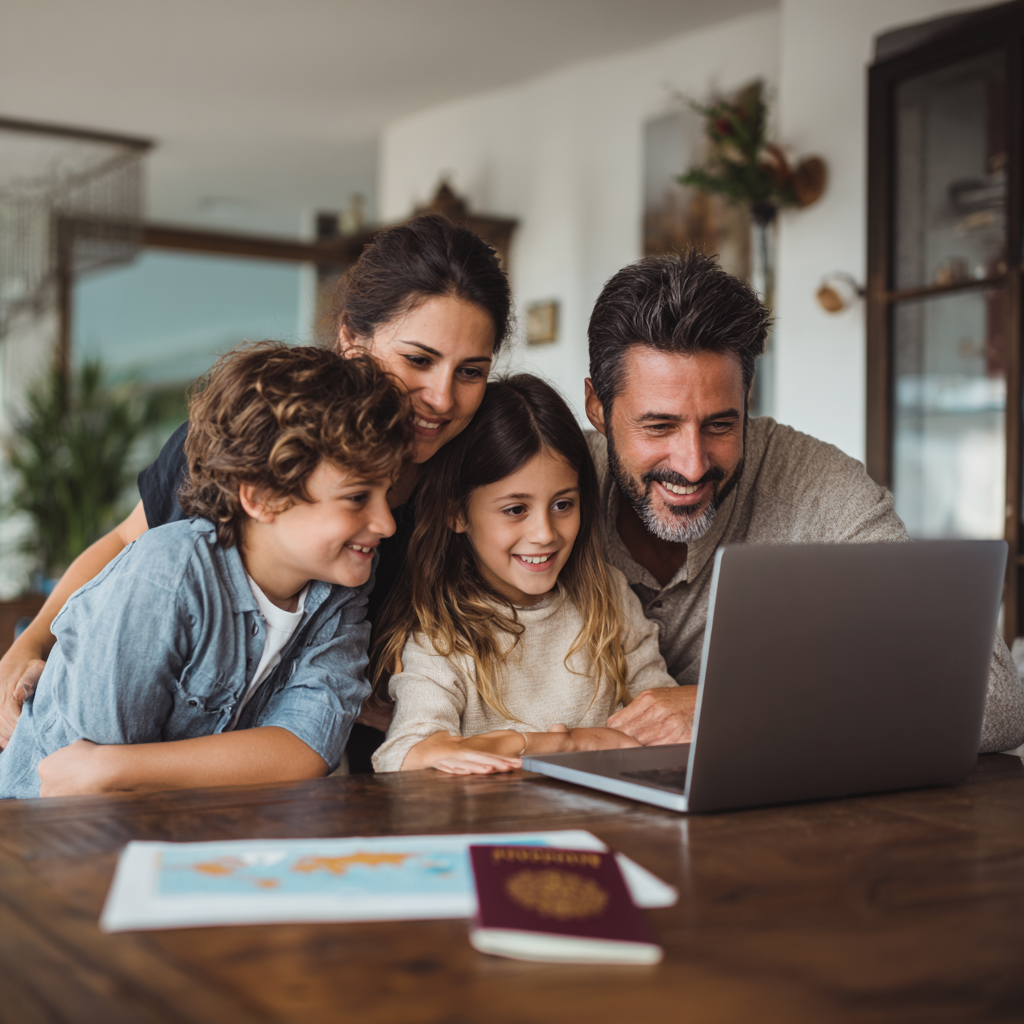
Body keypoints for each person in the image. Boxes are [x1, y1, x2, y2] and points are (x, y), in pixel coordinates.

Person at [0, 214, 513, 773]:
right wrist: (31, 645)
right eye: (418, 359)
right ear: (350, 337)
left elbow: (312, 730)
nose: (441, 397)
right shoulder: (257, 434)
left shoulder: (467, 489)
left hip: (320, 771)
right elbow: (128, 541)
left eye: (471, 371)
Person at [582, 250, 1024, 754]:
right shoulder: (544, 488)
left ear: (747, 402)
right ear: (598, 406)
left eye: (721, 424)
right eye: (659, 426)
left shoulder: (812, 482)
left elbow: (994, 699)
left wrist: (726, 706)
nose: (693, 464)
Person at [0, 344, 413, 799]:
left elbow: (308, 746)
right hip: (43, 832)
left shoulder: (341, 586)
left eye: (386, 492)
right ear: (259, 498)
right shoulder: (167, 573)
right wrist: (109, 769)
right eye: (357, 497)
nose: (386, 524)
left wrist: (113, 767)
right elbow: (81, 781)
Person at [371, 375, 676, 774]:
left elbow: (669, 732)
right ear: (456, 512)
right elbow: (404, 755)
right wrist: (564, 743)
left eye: (563, 504)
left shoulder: (610, 598)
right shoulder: (440, 633)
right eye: (516, 509)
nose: (545, 534)